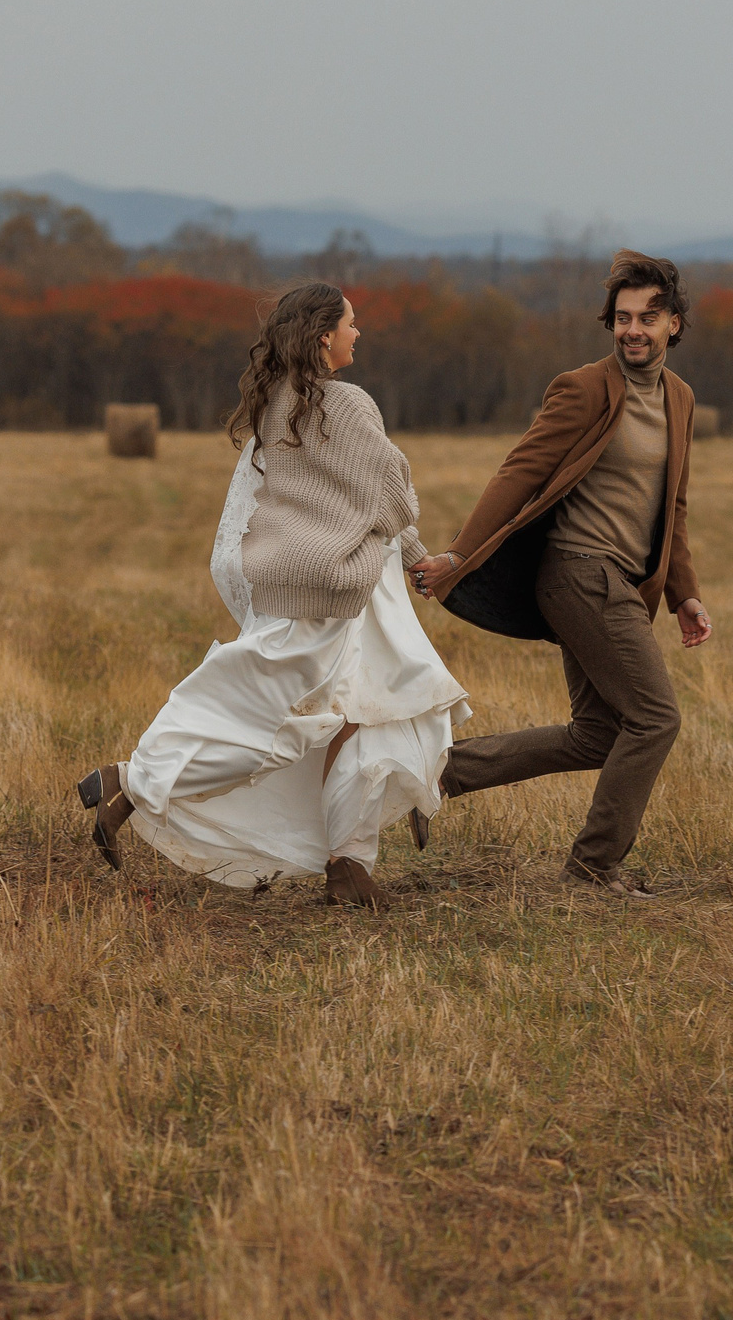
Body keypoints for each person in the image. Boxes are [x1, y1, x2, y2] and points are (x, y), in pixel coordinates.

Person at [76, 283, 470, 909]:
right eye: (350, 323)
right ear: (323, 336)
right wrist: (423, 552)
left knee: (351, 714)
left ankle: (349, 863)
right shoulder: (346, 404)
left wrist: (412, 551)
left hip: (296, 580)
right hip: (323, 588)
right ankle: (131, 780)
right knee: (287, 724)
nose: (357, 333)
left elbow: (355, 502)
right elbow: (389, 498)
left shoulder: (277, 399)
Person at [408, 251, 712, 897]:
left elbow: (673, 504)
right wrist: (460, 554)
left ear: (674, 325)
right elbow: (519, 472)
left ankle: (436, 773)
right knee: (656, 720)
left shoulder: (679, 399)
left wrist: (685, 594)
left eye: (648, 317)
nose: (633, 329)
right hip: (579, 573)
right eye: (623, 318)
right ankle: (592, 867)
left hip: (623, 584)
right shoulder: (584, 389)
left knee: (600, 734)